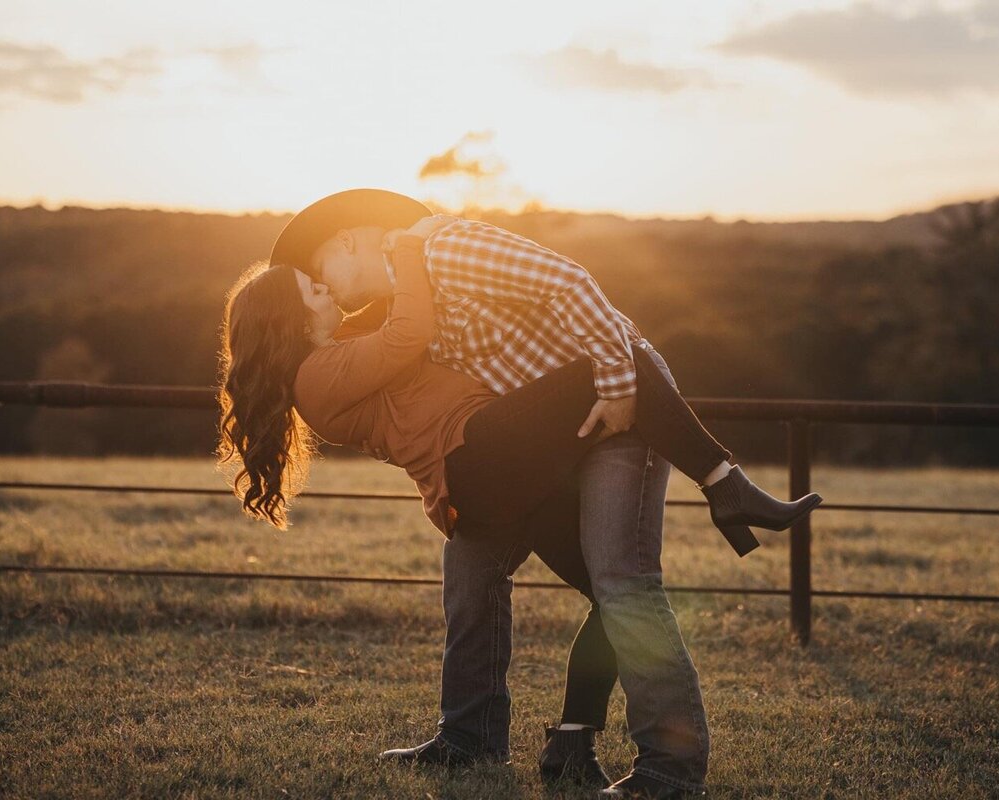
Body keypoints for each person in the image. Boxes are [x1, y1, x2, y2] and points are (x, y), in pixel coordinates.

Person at [219, 190, 821, 799]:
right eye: (313, 291)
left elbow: (454, 321)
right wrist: (405, 246)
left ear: (347, 241)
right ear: (288, 322)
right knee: (610, 362)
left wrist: (413, 247)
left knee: (597, 594)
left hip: (491, 468)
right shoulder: (319, 375)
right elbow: (409, 333)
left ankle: (538, 738)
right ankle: (725, 484)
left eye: (320, 279)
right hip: (477, 462)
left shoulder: (349, 341)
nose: (327, 292)